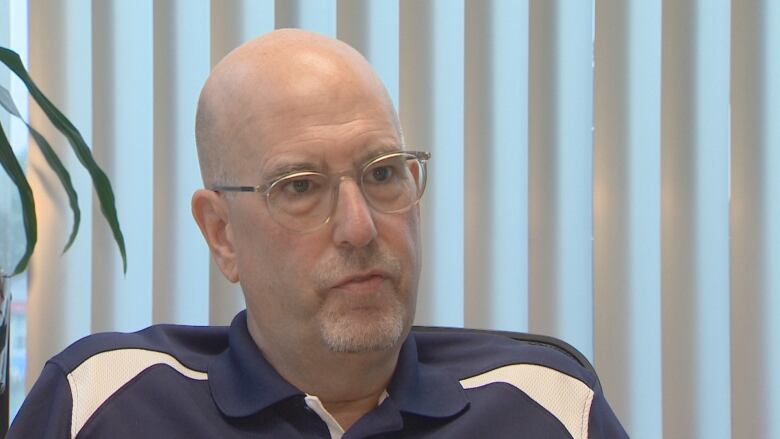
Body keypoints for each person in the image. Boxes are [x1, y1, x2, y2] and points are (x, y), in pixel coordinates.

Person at [8, 29, 628, 438]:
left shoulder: (547, 409)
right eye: (300, 186)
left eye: (383, 174)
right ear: (222, 234)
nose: (360, 229)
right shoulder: (101, 405)